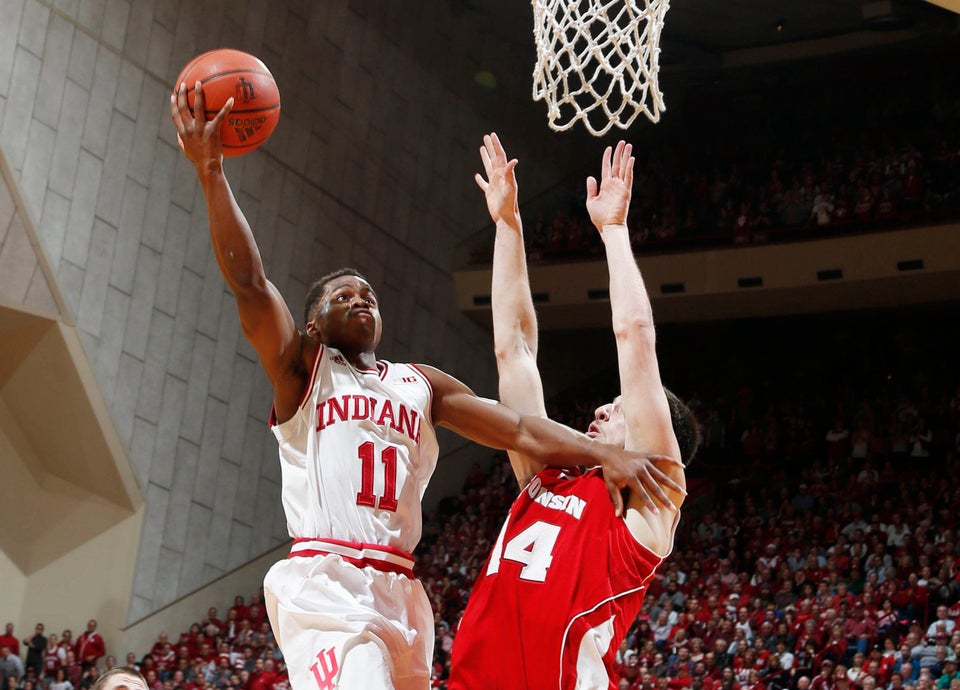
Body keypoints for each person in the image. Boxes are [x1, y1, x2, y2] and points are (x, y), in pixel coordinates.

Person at [169, 84, 665, 690]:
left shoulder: (419, 385)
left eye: (368, 294)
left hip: (402, 590)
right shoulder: (302, 369)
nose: (360, 298)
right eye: (341, 295)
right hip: (328, 579)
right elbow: (249, 281)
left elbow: (516, 425)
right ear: (313, 323)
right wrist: (212, 172)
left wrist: (601, 452)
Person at [449, 135, 697, 688]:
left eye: (619, 408)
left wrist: (613, 232)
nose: (601, 413)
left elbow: (633, 336)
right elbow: (512, 349)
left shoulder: (653, 495)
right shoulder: (547, 474)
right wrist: (508, 224)